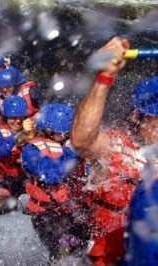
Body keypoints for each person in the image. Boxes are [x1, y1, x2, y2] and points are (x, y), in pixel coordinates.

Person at [70, 37, 158, 265]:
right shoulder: (117, 147)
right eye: (155, 119)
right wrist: (105, 76)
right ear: (136, 117)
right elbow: (81, 140)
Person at [21, 103, 89, 261]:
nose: (67, 136)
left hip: (73, 211)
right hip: (47, 215)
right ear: (49, 131)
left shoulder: (71, 147)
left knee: (87, 243)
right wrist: (73, 151)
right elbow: (51, 175)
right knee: (63, 249)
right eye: (64, 133)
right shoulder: (30, 150)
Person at [0, 95, 36, 216]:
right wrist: (19, 135)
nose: (18, 121)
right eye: (13, 118)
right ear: (6, 117)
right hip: (5, 178)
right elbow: (2, 151)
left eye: (20, 117)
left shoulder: (34, 127)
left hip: (27, 177)